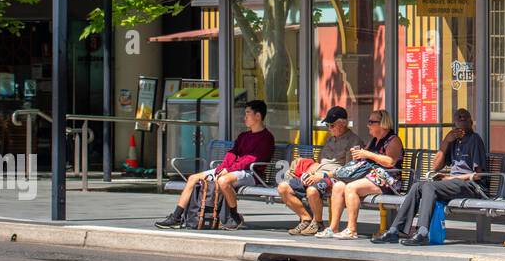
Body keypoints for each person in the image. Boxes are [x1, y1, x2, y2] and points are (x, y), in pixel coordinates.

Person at [371, 108, 487, 246]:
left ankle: (422, 232)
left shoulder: (475, 139)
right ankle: (395, 230)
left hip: (472, 187)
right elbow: (435, 166)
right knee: (417, 186)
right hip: (454, 185)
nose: (461, 120)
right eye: (458, 118)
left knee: (429, 186)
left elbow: (478, 176)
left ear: (471, 122)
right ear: (454, 123)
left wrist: (449, 178)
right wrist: (446, 141)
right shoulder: (454, 141)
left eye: (465, 118)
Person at [155, 100, 274, 231]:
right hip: (233, 171)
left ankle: (235, 217)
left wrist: (228, 170)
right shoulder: (243, 136)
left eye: (247, 113)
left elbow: (251, 159)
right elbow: (232, 154)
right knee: (193, 178)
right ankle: (176, 217)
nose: (244, 117)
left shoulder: (266, 138)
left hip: (252, 174)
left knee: (223, 181)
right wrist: (222, 168)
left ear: (258, 116)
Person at [277, 105, 363, 236]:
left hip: (334, 178)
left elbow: (349, 170)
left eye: (332, 125)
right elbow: (321, 162)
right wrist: (310, 171)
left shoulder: (354, 141)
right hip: (318, 175)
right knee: (283, 187)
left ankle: (317, 222)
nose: (329, 129)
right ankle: (306, 219)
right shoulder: (329, 139)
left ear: (343, 123)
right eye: (327, 125)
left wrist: (322, 175)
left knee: (312, 191)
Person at [323, 109, 403, 239]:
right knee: (338, 186)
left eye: (372, 122)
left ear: (382, 124)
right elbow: (365, 159)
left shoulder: (393, 140)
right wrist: (359, 156)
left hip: (388, 179)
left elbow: (390, 161)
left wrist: (367, 154)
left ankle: (351, 230)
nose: (368, 125)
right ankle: (333, 228)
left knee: (351, 187)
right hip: (371, 176)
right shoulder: (374, 140)